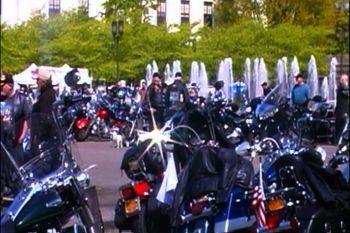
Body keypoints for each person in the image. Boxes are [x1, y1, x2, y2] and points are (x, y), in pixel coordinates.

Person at [334, 73, 349, 144]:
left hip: (341, 111)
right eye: (344, 79)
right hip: (342, 112)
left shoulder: (342, 88)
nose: (346, 81)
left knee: (340, 127)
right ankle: (338, 142)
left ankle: (337, 141)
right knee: (341, 128)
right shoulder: (342, 88)